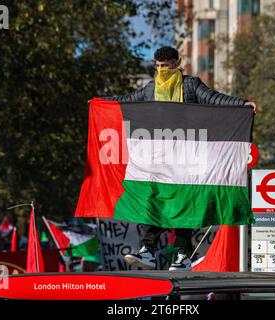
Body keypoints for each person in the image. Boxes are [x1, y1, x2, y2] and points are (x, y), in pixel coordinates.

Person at [106, 46, 256, 271]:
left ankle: (183, 255)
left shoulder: (191, 85)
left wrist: (241, 104)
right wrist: (102, 103)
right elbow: (127, 102)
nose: (160, 70)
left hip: (187, 157)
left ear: (176, 63)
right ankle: (147, 250)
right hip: (159, 158)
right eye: (157, 66)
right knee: (154, 199)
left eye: (165, 66)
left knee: (185, 204)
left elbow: (213, 99)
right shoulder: (150, 89)